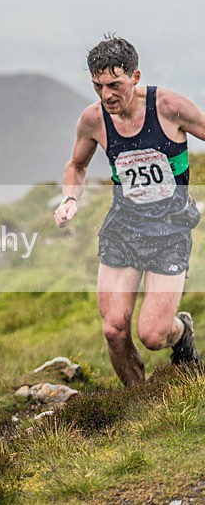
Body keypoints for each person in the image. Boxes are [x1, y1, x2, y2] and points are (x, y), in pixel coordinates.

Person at [54, 35, 202, 386]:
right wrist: (69, 199)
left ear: (135, 78)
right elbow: (76, 166)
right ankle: (140, 403)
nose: (107, 95)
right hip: (124, 227)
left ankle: (181, 333)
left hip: (170, 229)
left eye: (115, 85)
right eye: (98, 86)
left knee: (153, 334)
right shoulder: (93, 120)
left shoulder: (170, 107)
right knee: (114, 329)